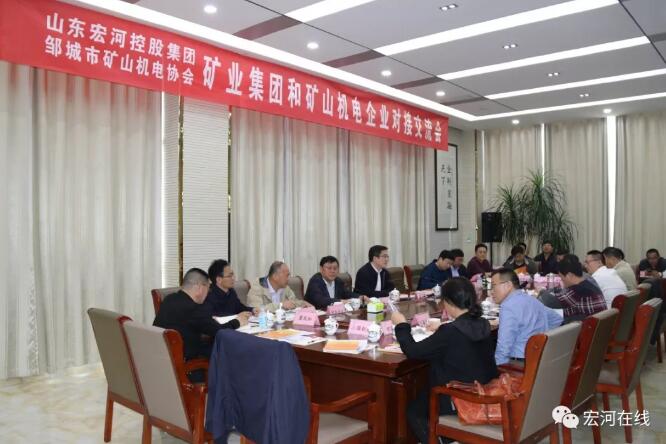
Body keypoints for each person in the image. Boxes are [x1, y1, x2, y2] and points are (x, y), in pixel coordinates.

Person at [391, 278, 498, 444]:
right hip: (483, 389)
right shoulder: (482, 323)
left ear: (448, 302)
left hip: (457, 397)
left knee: (415, 411)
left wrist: (401, 325)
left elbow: (413, 351)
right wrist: (444, 327)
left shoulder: (450, 332)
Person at [153, 268, 249, 380]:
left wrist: (207, 320)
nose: (208, 293)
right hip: (187, 365)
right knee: (230, 351)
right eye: (208, 288)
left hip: (163, 360)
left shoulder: (169, 299)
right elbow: (220, 331)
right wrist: (238, 321)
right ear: (200, 287)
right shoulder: (193, 309)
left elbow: (194, 323)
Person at [491, 268, 562, 365]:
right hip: (539, 359)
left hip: (519, 363)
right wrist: (539, 340)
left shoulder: (508, 306)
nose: (491, 291)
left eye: (493, 286)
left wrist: (498, 369)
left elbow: (503, 348)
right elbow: (557, 319)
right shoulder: (531, 299)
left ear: (508, 285)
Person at [542, 255, 607, 323]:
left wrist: (542, 291)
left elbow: (548, 300)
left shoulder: (577, 291)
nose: (561, 280)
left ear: (569, 275)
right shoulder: (588, 283)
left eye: (561, 277)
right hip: (597, 324)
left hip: (588, 326)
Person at [246, 261, 312, 311]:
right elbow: (257, 310)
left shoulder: (285, 287)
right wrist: (281, 305)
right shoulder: (257, 287)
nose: (289, 278)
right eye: (287, 275)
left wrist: (303, 303)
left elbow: (294, 302)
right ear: (275, 277)